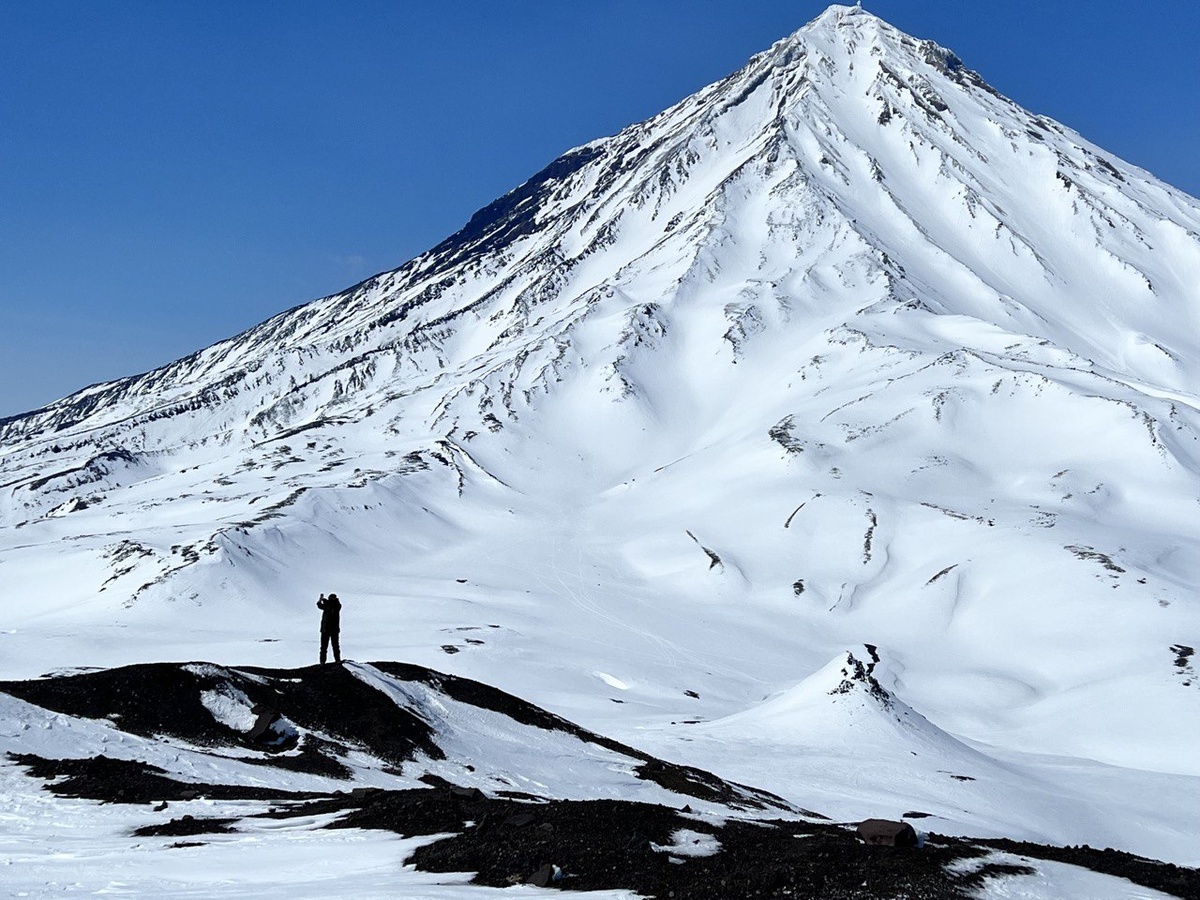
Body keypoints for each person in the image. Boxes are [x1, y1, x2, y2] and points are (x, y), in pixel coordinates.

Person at [317, 592, 342, 664]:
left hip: (330, 629)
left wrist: (323, 600)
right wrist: (321, 600)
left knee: (333, 646)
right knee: (325, 647)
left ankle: (336, 660)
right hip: (327, 629)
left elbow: (328, 606)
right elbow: (320, 606)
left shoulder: (337, 605)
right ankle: (323, 661)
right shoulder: (329, 604)